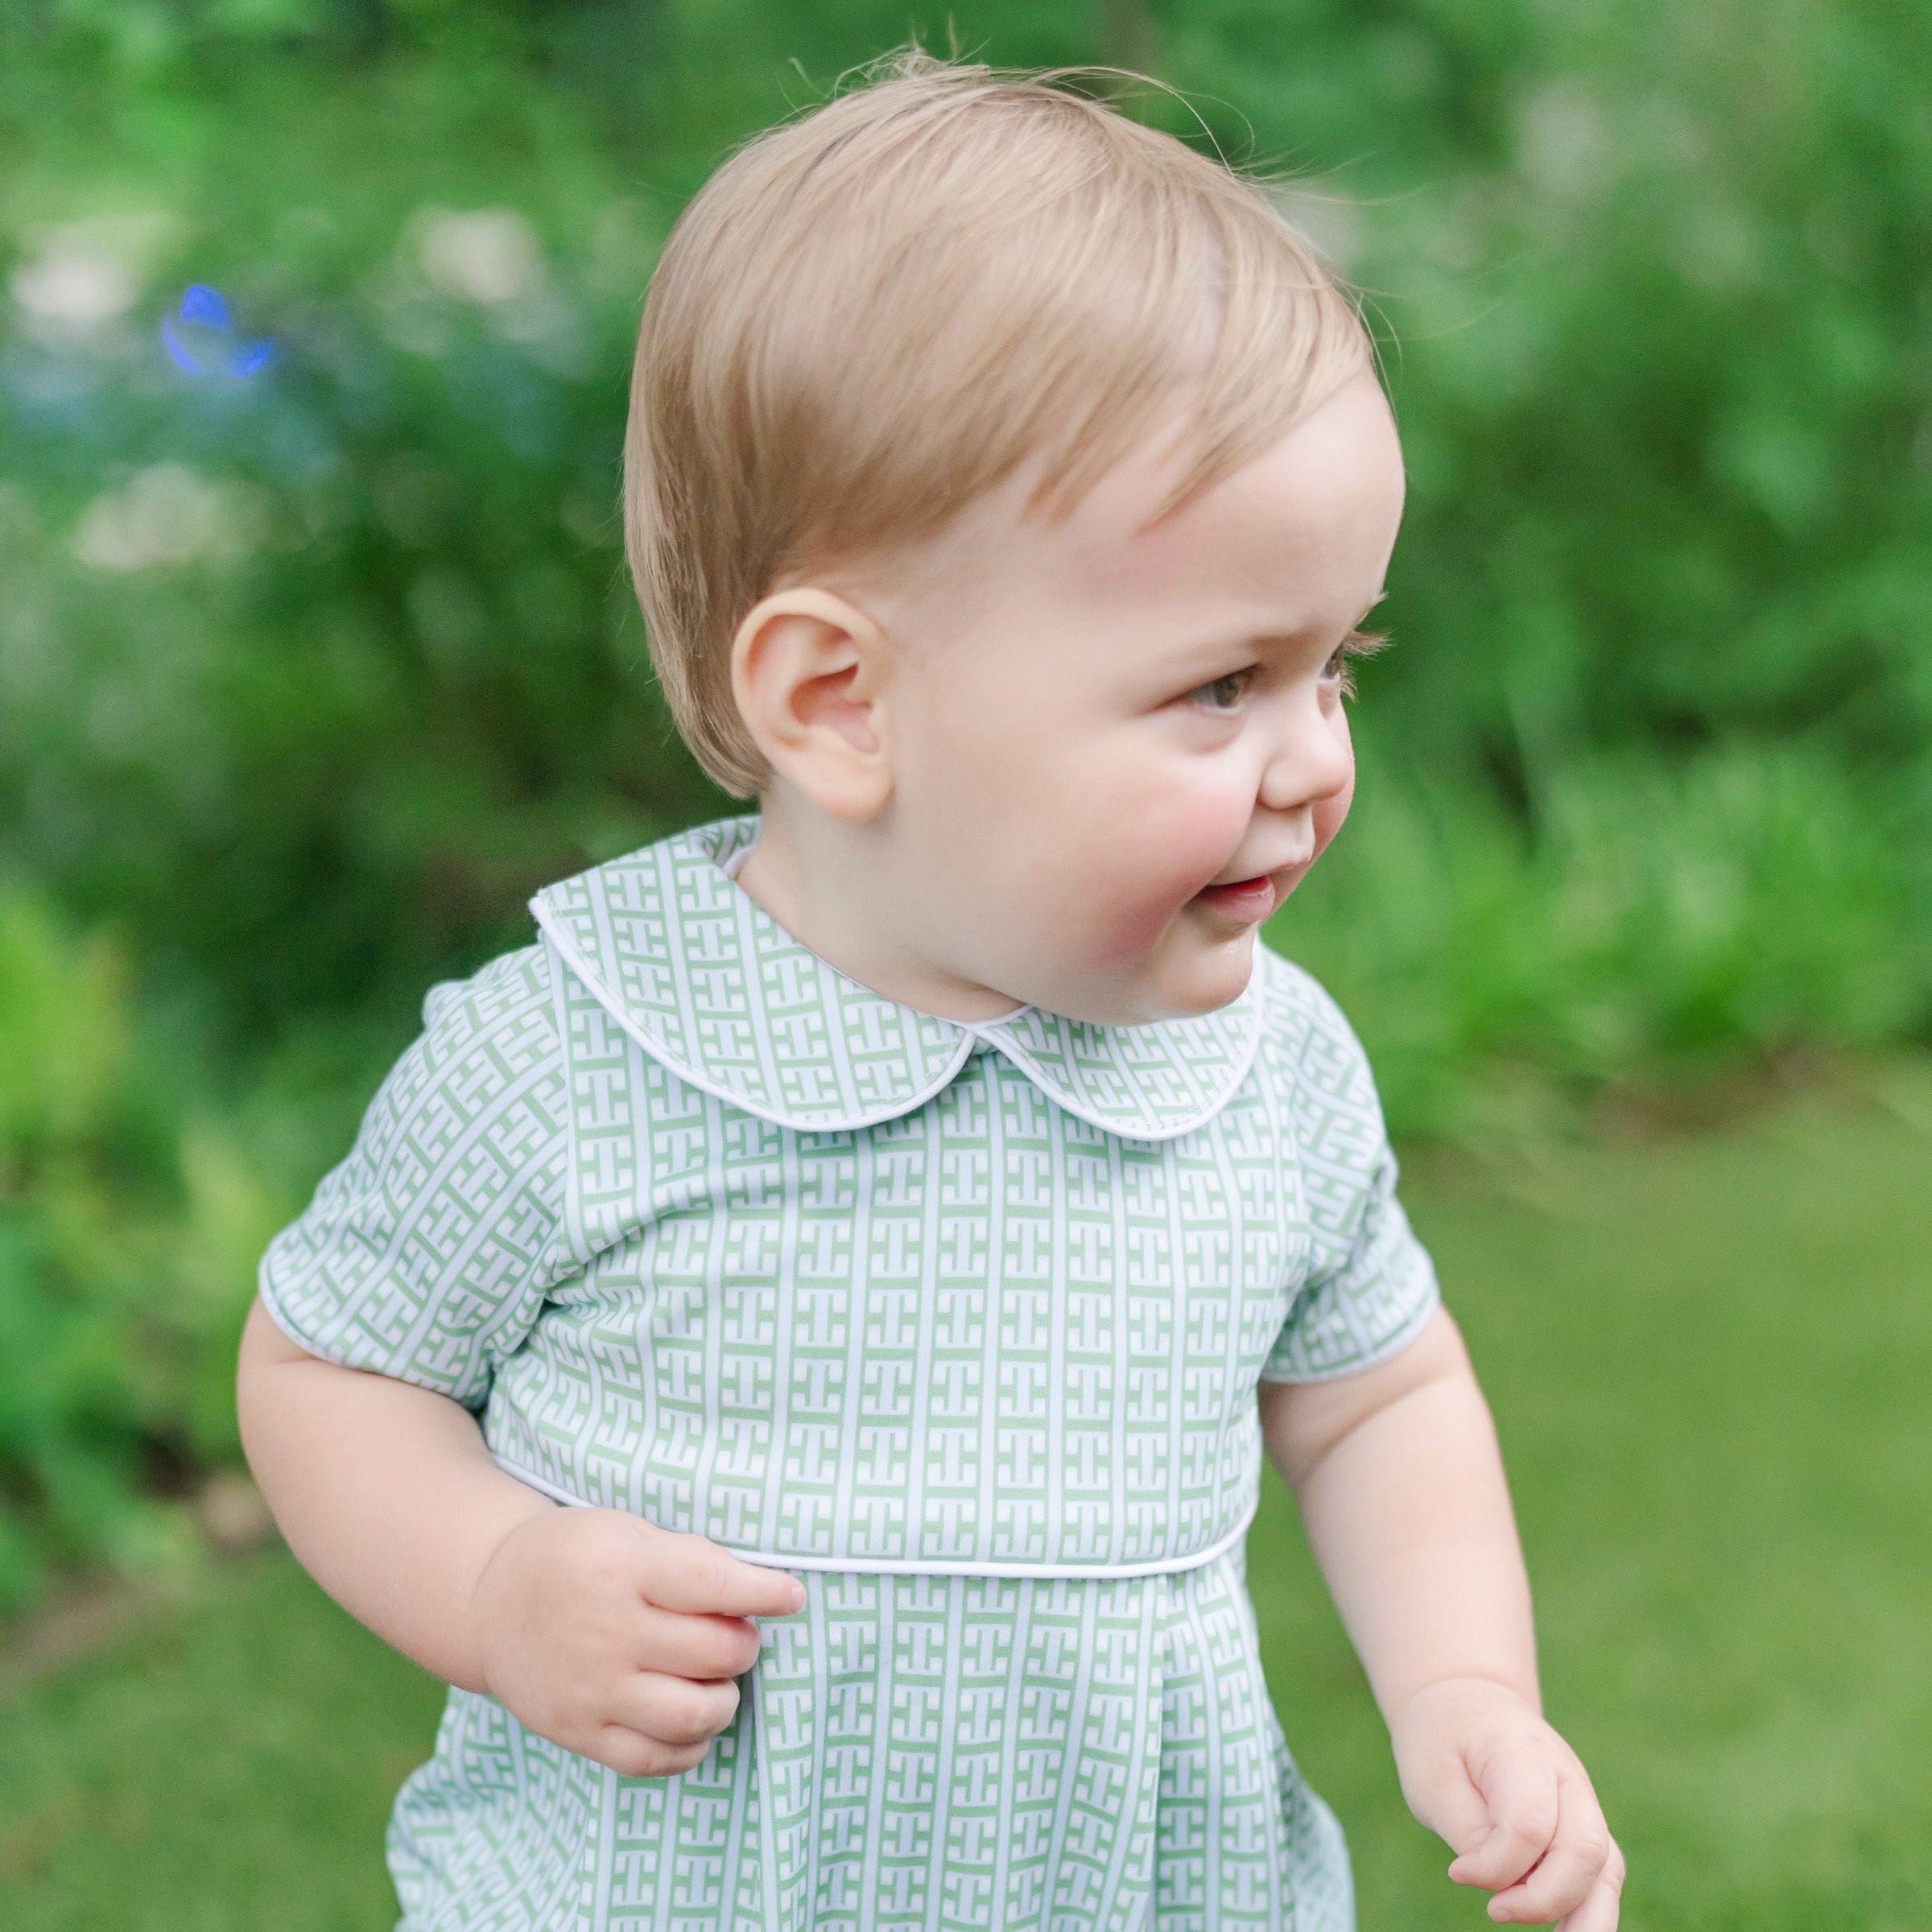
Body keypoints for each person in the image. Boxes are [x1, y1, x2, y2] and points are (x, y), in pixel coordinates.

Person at [236, 51, 1622, 1932]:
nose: (1312, 759)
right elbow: (332, 1369)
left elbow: (1376, 1396)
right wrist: (495, 1585)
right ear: (841, 702)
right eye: (1222, 685)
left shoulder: (1268, 1069)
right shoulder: (576, 1056)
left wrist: (1468, 1691)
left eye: (1336, 665)